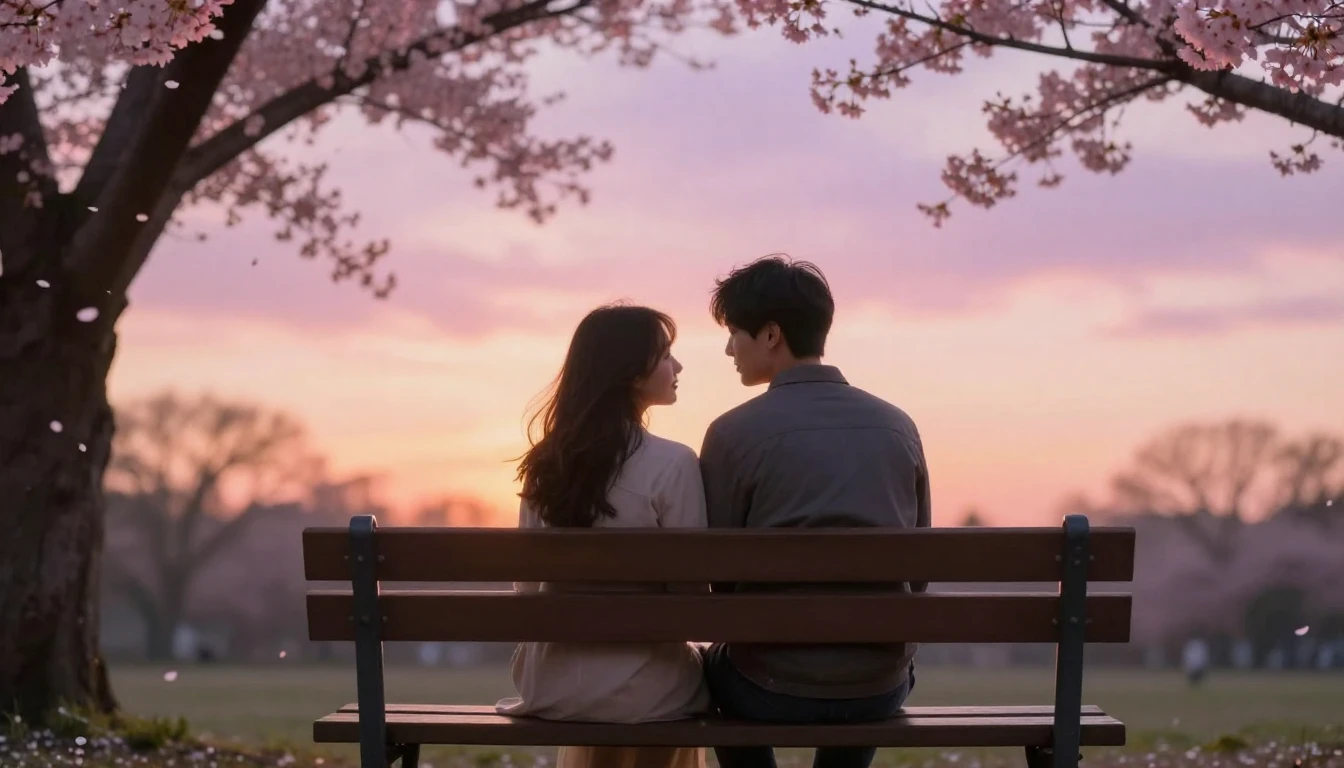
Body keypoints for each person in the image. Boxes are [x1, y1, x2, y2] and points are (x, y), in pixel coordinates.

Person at [698, 255, 932, 768]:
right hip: (877, 687)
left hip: (765, 684)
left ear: (771, 334)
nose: (728, 349)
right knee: (865, 666)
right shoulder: (898, 427)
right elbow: (918, 572)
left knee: (708, 671)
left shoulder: (732, 434)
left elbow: (716, 578)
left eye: (734, 333)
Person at [496, 304, 710, 768]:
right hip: (648, 693)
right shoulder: (674, 464)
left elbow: (528, 594)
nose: (678, 367)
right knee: (673, 676)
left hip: (549, 687)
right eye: (666, 355)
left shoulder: (546, 465)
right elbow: (693, 603)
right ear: (632, 373)